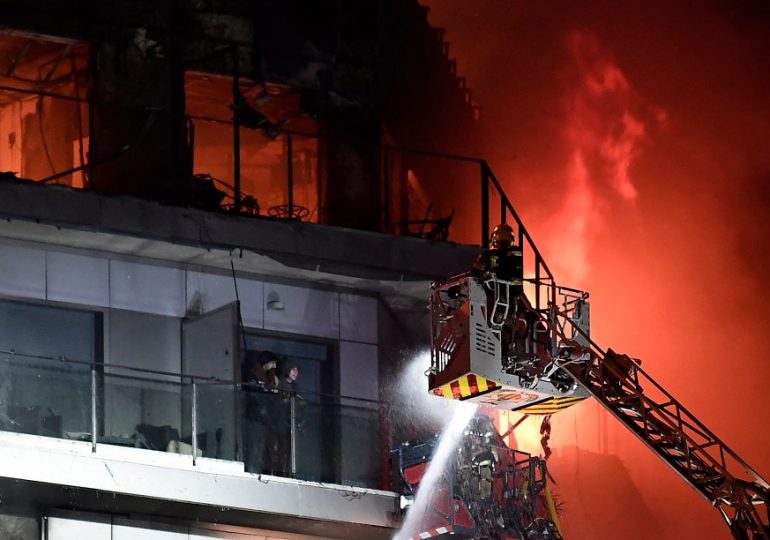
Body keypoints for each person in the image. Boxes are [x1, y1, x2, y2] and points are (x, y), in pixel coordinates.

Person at [242, 350, 278, 474]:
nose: (274, 366)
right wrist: (267, 392)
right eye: (272, 363)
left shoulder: (265, 375)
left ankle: (257, 471)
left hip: (260, 419)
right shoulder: (255, 374)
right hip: (254, 418)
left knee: (260, 448)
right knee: (255, 447)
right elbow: (253, 393)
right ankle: (253, 471)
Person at [269, 362, 300, 477]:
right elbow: (274, 401)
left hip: (288, 423)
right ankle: (273, 473)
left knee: (286, 450)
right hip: (278, 421)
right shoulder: (280, 383)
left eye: (297, 370)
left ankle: (285, 473)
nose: (296, 373)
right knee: (276, 448)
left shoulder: (295, 387)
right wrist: (285, 402)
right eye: (293, 369)